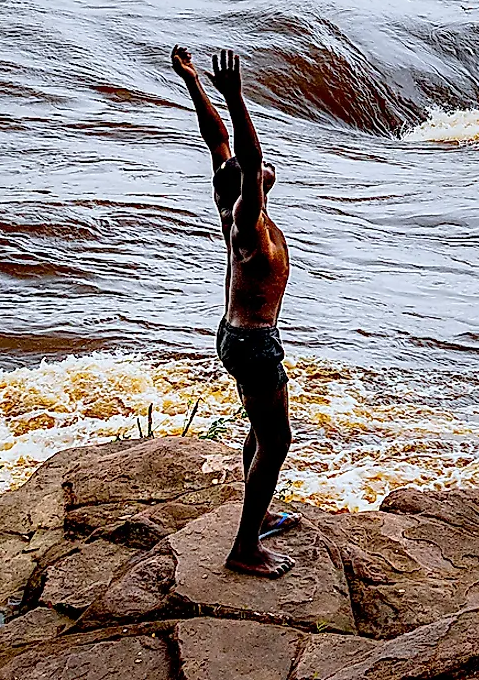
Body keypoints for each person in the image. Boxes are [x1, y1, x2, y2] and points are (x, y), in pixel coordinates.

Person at [173, 45, 298, 578]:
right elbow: (245, 155)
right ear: (248, 184)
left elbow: (217, 139)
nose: (266, 169)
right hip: (252, 343)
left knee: (260, 429)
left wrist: (194, 83)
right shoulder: (248, 218)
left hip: (236, 335)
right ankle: (245, 548)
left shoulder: (230, 200)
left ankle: (259, 512)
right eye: (259, 170)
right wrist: (236, 95)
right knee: (277, 440)